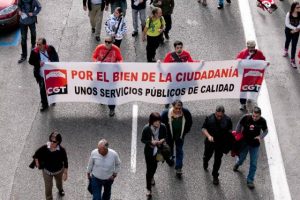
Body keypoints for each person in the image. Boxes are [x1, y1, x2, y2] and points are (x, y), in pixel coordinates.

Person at [233, 106, 268, 189]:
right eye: (253, 116)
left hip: (255, 145)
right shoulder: (246, 118)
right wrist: (237, 134)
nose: (255, 118)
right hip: (244, 143)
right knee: (241, 158)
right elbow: (239, 125)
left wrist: (261, 137)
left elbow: (266, 131)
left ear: (260, 115)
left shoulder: (263, 121)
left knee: (254, 163)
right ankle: (238, 163)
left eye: (257, 116)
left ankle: (250, 180)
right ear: (252, 114)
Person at [31, 131, 68, 200]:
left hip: (58, 171)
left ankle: (60, 189)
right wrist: (37, 163)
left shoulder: (62, 150)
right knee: (48, 188)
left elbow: (65, 161)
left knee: (59, 183)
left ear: (58, 142)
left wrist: (65, 173)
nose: (51, 142)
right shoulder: (45, 147)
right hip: (47, 172)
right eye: (50, 140)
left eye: (54, 142)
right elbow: (36, 154)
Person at [201, 105, 233, 185]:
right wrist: (208, 136)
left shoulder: (228, 120)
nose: (219, 117)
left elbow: (230, 131)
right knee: (207, 155)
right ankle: (205, 161)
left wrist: (228, 145)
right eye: (217, 115)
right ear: (215, 112)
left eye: (220, 116)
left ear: (223, 114)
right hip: (210, 142)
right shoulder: (209, 118)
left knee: (218, 160)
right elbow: (203, 128)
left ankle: (215, 175)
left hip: (220, 144)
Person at [92, 36, 123, 116]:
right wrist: (96, 62)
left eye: (109, 42)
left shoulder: (116, 49)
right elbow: (94, 56)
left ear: (112, 42)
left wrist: (118, 64)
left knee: (111, 92)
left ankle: (112, 109)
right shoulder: (99, 48)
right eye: (105, 41)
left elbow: (120, 59)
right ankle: (102, 100)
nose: (106, 43)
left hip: (111, 75)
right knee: (101, 89)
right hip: (101, 74)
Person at [161, 100, 193, 178]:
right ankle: (170, 158)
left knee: (179, 150)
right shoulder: (165, 113)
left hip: (180, 136)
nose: (178, 110)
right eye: (176, 108)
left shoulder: (186, 112)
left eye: (180, 108)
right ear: (172, 106)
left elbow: (189, 122)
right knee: (169, 149)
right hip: (169, 135)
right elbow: (161, 125)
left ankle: (178, 168)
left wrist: (185, 131)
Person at [141, 112, 168, 198]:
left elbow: (166, 136)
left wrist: (161, 141)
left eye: (159, 121)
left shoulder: (163, 126)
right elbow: (143, 140)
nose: (158, 123)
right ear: (151, 121)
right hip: (149, 152)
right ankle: (148, 189)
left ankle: (152, 176)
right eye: (155, 121)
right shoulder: (146, 129)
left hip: (159, 151)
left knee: (155, 166)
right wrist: (150, 142)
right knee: (149, 170)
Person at [29, 38, 59, 112]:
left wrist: (51, 61)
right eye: (37, 44)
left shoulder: (50, 49)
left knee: (52, 88)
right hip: (41, 74)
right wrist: (38, 63)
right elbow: (30, 61)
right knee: (42, 90)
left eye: (40, 44)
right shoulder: (34, 51)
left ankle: (52, 100)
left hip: (51, 73)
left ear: (44, 45)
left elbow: (56, 58)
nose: (38, 46)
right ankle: (44, 104)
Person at [236, 40, 266, 111]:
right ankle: (243, 104)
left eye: (253, 47)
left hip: (254, 75)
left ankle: (250, 97)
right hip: (245, 76)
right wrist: (239, 60)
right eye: (251, 47)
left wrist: (265, 64)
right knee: (243, 90)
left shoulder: (259, 53)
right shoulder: (243, 53)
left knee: (251, 88)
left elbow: (263, 60)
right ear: (248, 47)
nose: (252, 49)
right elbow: (237, 60)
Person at [283, 2, 300, 68]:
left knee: (294, 45)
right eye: (297, 7)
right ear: (293, 8)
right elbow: (287, 24)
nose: (299, 8)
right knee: (287, 40)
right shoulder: (289, 14)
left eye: (299, 7)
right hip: (289, 30)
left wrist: (297, 29)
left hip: (296, 31)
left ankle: (292, 60)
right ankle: (286, 50)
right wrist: (295, 28)